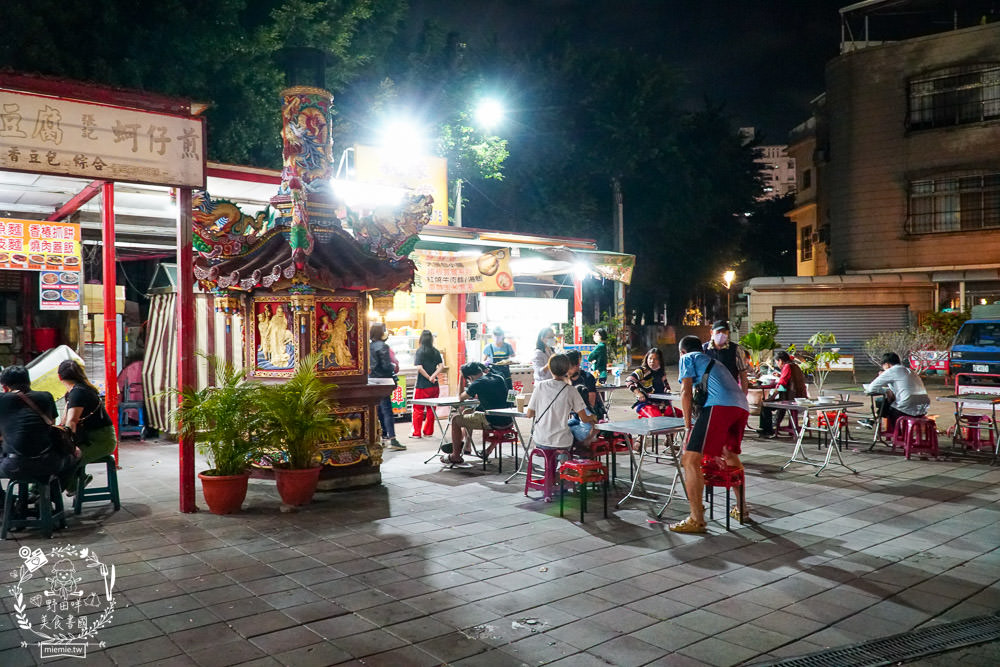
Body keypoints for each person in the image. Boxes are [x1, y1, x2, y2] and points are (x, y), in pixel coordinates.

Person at [670, 335, 750, 534]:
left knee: (690, 460)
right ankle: (742, 509)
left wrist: (687, 427)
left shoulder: (687, 358)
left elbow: (685, 392)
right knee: (729, 454)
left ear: (682, 351)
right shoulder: (713, 361)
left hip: (720, 406)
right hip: (741, 407)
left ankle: (696, 518)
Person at [0, 366, 79, 502]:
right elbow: (51, 424)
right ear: (29, 382)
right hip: (49, 462)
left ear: (5, 387)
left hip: (14, 466)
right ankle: (49, 498)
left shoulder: (2, 400)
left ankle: (4, 502)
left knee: (11, 459)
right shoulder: (46, 396)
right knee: (76, 454)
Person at [59, 360, 117, 495]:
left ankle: (46, 492)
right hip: (89, 438)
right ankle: (74, 483)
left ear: (59, 377)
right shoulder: (74, 392)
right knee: (59, 457)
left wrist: (67, 444)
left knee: (65, 460)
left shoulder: (78, 393)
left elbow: (71, 422)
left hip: (101, 442)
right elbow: (64, 421)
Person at [444, 362, 513, 465]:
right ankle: (467, 446)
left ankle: (455, 456)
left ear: (469, 377)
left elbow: (460, 397)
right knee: (468, 412)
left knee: (456, 419)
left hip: (493, 422)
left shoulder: (477, 383)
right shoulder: (498, 377)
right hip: (509, 420)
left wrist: (461, 378)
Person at [526, 354, 595, 452]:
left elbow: (529, 414)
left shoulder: (540, 386)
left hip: (540, 440)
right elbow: (584, 419)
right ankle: (567, 460)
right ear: (567, 369)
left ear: (550, 368)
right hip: (561, 443)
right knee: (576, 434)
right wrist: (592, 417)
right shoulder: (571, 390)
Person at [860, 352, 930, 432]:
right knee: (888, 402)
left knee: (885, 405)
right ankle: (872, 420)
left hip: (906, 407)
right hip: (923, 407)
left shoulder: (891, 371)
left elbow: (871, 388)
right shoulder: (909, 370)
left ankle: (896, 435)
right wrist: (887, 390)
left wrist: (884, 382)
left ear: (887, 365)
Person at [369, 323, 404, 451]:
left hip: (372, 381)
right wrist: (393, 367)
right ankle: (392, 439)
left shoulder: (369, 346)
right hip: (383, 381)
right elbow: (386, 365)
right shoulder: (383, 346)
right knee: (387, 410)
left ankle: (382, 437)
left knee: (378, 411)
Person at [756, 350, 808, 437]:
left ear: (780, 361)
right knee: (774, 402)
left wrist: (772, 397)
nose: (778, 365)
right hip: (800, 397)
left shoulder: (787, 366)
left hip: (791, 398)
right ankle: (774, 426)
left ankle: (767, 430)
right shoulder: (795, 366)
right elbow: (791, 379)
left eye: (777, 362)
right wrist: (780, 376)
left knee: (765, 405)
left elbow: (781, 384)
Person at [566, 350, 606, 444]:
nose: (566, 370)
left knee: (573, 432)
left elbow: (590, 404)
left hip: (588, 416)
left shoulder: (587, 378)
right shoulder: (565, 379)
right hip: (576, 418)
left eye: (568, 367)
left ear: (577, 365)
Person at [625, 347, 676, 417]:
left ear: (660, 360)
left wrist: (669, 394)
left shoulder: (661, 373)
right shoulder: (642, 371)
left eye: (655, 359)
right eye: (650, 358)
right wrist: (638, 393)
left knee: (681, 415)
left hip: (661, 405)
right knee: (658, 419)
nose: (652, 361)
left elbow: (666, 388)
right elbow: (628, 380)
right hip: (645, 405)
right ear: (646, 359)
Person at [412, 329, 444, 439]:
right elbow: (441, 366)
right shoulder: (436, 351)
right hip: (434, 386)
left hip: (422, 385)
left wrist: (428, 377)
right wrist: (433, 376)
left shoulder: (420, 351)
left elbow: (419, 367)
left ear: (421, 339)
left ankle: (416, 433)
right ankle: (428, 432)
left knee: (418, 409)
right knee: (431, 409)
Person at [703, 320, 749, 394]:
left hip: (730, 392)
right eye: (718, 331)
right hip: (709, 393)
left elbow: (743, 373)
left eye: (724, 332)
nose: (721, 334)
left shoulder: (736, 349)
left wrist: (744, 394)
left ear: (728, 333)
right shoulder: (704, 349)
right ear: (711, 332)